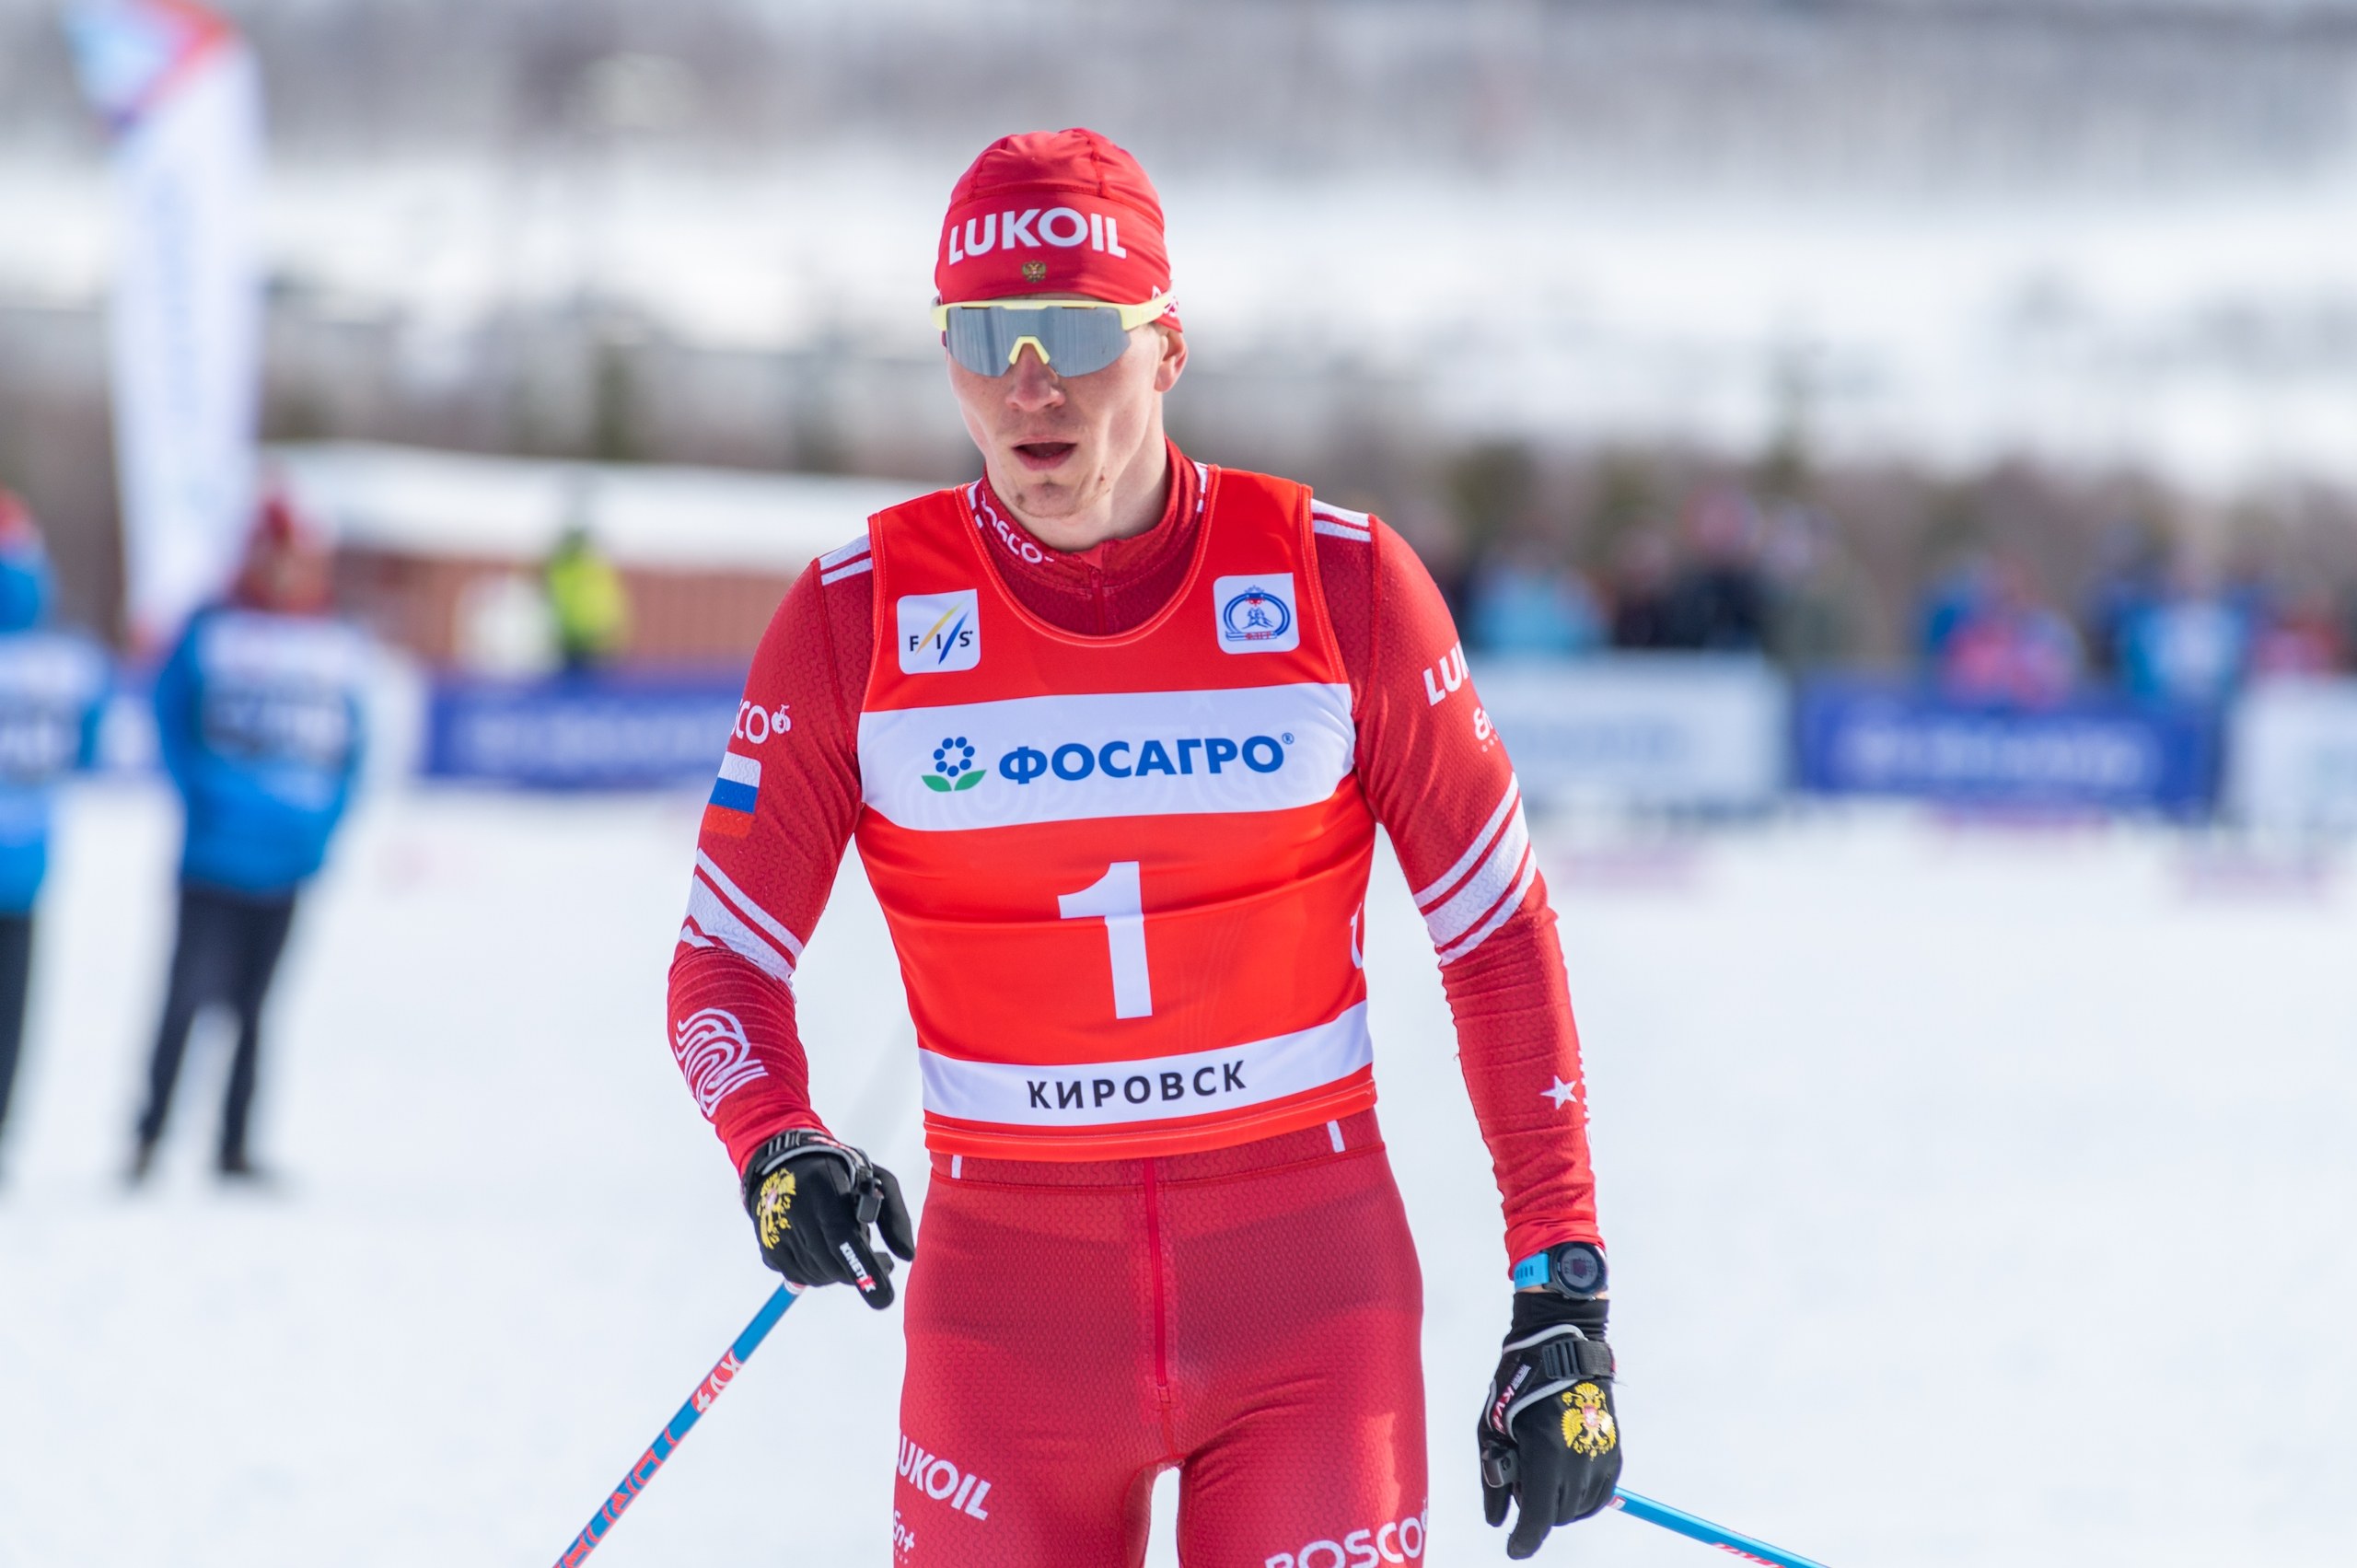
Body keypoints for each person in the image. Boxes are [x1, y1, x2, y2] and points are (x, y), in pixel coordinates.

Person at [665, 129, 1615, 1565]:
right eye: (981, 335)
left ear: (1167, 344)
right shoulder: (856, 616)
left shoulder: (1341, 581)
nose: (1026, 383)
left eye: (1072, 331)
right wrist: (777, 1143)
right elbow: (721, 958)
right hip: (1009, 1325)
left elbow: (1495, 935)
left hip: (1310, 1308)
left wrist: (1563, 1292)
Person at [130, 495, 366, 1183]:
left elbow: (355, 745)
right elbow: (169, 715)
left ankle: (234, 1145)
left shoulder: (331, 639)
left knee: (256, 1009)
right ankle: (149, 1137)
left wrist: (324, 824)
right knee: (185, 999)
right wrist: (200, 797)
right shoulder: (213, 627)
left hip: (288, 856)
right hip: (214, 853)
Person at [0, 492, 106, 1178]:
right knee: (10, 1016)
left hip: (25, 863)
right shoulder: (68, 656)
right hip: (27, 863)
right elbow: (86, 750)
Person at [544, 521, 630, 670]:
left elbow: (606, 603)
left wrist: (608, 632)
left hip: (594, 639)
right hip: (570, 640)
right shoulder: (561, 569)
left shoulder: (591, 568)